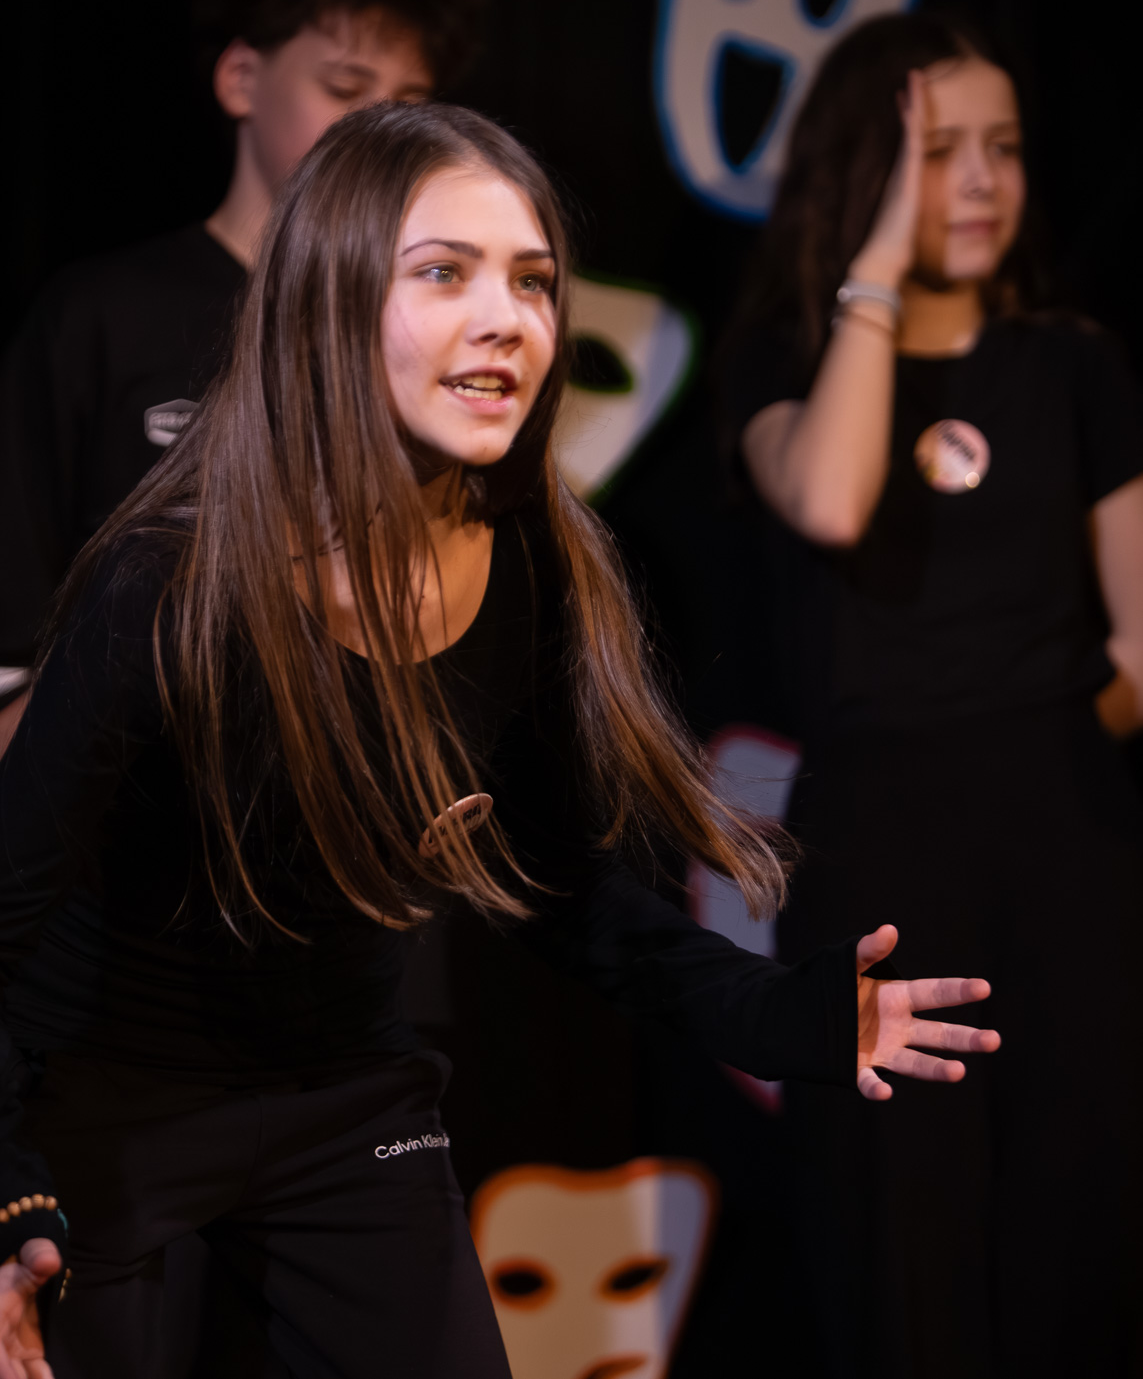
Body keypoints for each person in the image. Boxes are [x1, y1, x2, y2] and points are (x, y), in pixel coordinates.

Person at [0, 101, 999, 1379]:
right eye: (444, 273)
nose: (507, 319)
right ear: (325, 307)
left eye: (532, 280)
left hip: (343, 1101)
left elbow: (554, 887)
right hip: (102, 1104)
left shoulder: (526, 561)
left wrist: (774, 1013)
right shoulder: (168, 588)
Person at [722, 13, 1143, 1378]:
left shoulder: (1073, 364)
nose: (979, 182)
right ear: (870, 168)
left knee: (1076, 1221)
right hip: (878, 855)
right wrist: (878, 274)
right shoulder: (783, 364)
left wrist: (1035, 757)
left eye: (1002, 149)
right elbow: (832, 501)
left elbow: (1141, 642)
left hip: (1068, 842)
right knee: (896, 1232)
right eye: (939, 151)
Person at [0, 0, 481, 749]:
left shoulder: (431, 327)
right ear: (240, 78)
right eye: (345, 89)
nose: (377, 131)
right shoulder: (103, 314)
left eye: (408, 105)